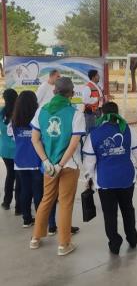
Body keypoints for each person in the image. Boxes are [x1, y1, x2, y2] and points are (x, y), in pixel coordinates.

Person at [30, 77, 86, 256]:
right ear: (71, 93)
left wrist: (46, 162)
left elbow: (35, 139)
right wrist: (61, 164)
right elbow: (74, 142)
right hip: (68, 165)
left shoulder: (41, 111)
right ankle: (63, 244)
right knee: (65, 203)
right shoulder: (76, 113)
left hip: (48, 167)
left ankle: (35, 238)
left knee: (46, 199)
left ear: (54, 91)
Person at [83, 102, 137, 255]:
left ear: (102, 114)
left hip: (105, 181)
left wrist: (88, 179)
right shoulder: (128, 130)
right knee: (128, 209)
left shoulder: (94, 133)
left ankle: (114, 242)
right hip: (126, 178)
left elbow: (89, 162)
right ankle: (132, 238)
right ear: (117, 113)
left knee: (109, 213)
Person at [9, 91, 57, 228]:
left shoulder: (13, 122)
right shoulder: (39, 120)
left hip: (20, 161)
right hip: (36, 160)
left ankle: (26, 219)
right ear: (34, 103)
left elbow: (13, 138)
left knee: (25, 190)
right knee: (38, 192)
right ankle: (42, 220)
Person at [0, 89, 20, 213]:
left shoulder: (1, 111)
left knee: (10, 175)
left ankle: (6, 202)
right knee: (19, 178)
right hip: (19, 149)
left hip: (5, 150)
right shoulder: (20, 111)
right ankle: (19, 206)